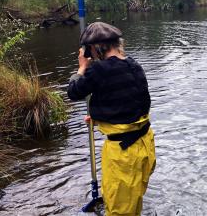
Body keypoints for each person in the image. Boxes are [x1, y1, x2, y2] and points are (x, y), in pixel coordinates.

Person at [67, 22, 156, 215]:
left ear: (95, 48)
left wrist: (81, 68)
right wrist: (99, 116)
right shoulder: (134, 65)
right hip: (145, 144)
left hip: (124, 154)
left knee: (119, 209)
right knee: (133, 201)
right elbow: (132, 105)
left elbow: (73, 92)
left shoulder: (98, 70)